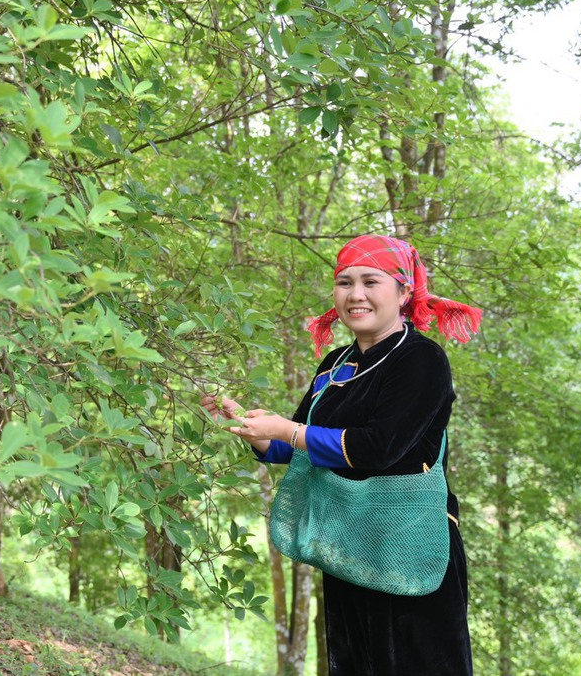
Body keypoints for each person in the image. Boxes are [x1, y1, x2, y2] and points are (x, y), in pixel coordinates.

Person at [202, 234, 482, 676]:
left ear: (404, 291)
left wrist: (289, 430)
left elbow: (379, 448)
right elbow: (291, 446)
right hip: (349, 541)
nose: (355, 295)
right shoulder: (335, 364)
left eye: (371, 281)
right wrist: (247, 425)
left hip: (410, 545)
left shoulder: (421, 360)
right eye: (344, 282)